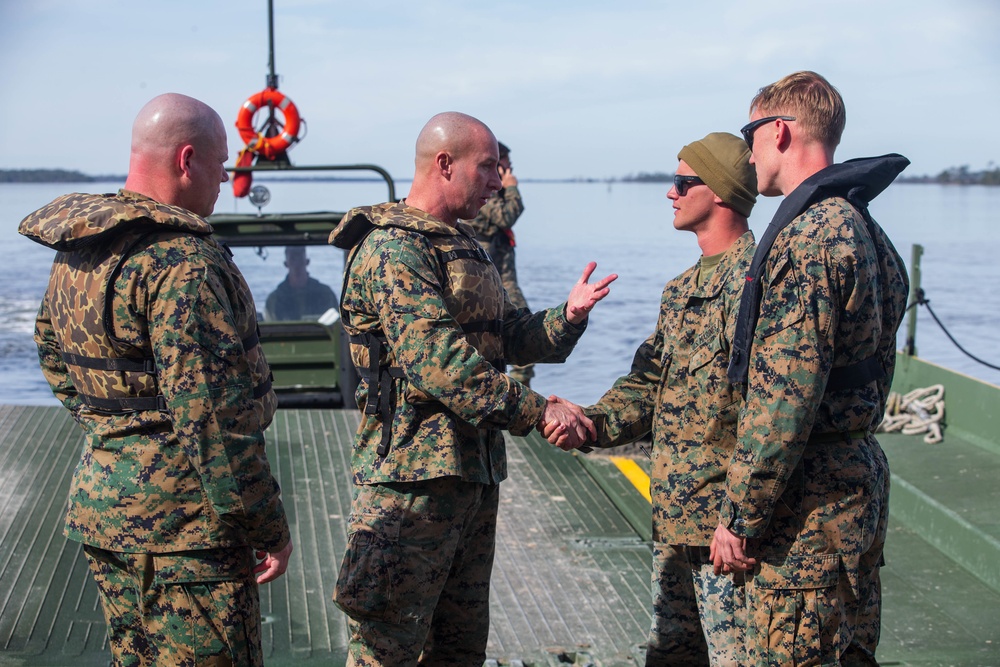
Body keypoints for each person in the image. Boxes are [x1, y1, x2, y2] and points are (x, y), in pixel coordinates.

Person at [328, 111, 617, 667]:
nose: (497, 180)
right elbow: (440, 363)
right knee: (387, 650)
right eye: (487, 167)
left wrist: (568, 317)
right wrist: (542, 410)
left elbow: (504, 337)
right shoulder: (394, 251)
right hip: (410, 483)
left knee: (459, 649)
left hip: (470, 477)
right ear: (444, 165)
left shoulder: (462, 244)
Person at [18, 93, 293, 666]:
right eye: (221, 164)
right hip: (187, 534)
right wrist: (266, 524)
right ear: (187, 159)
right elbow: (213, 420)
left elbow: (52, 354)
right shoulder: (182, 263)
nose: (224, 178)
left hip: (105, 513)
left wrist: (125, 434)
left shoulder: (80, 247)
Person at [711, 71, 910, 665]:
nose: (747, 153)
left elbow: (784, 401)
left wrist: (740, 517)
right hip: (858, 481)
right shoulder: (867, 230)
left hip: (809, 507)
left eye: (750, 134)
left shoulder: (808, 240)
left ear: (779, 131)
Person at [544, 132, 758, 666]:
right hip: (676, 523)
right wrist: (589, 424)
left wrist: (743, 515)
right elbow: (647, 386)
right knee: (670, 656)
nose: (671, 193)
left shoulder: (759, 287)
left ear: (721, 193)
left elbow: (776, 413)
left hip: (727, 534)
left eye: (685, 182)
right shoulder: (680, 291)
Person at [466, 141, 534, 386]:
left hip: (500, 278)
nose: (509, 173)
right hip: (492, 281)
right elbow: (505, 216)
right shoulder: (485, 193)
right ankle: (514, 397)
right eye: (505, 167)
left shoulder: (493, 191)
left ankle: (516, 393)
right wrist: (512, 189)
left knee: (521, 336)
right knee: (524, 332)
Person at [264, 245, 338, 320]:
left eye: (300, 259)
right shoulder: (274, 299)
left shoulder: (326, 294)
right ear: (286, 264)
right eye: (293, 259)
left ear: (307, 261)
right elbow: (270, 328)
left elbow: (337, 322)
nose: (297, 264)